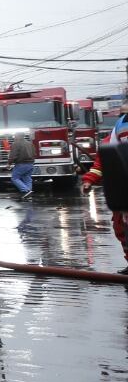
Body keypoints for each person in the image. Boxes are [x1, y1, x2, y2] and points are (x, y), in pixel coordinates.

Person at [80, 115, 128, 270]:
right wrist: (89, 180)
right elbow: (99, 165)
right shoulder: (110, 143)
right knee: (122, 230)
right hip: (123, 195)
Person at [9, 132, 36, 199]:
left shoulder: (16, 144)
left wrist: (9, 163)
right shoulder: (30, 143)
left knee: (14, 178)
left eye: (15, 136)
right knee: (27, 178)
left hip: (21, 164)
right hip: (30, 163)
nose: (14, 137)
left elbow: (13, 156)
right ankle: (29, 192)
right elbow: (35, 153)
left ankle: (25, 191)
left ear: (18, 136)